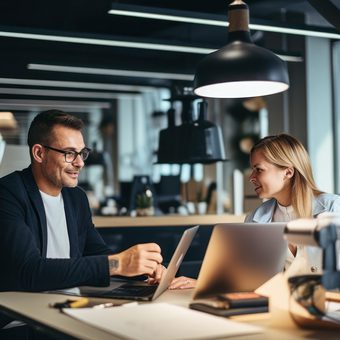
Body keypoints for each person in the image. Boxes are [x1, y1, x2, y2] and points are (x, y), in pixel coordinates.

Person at [0, 109, 164, 294]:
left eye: (82, 153)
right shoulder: (8, 193)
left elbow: (97, 253)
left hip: (67, 305)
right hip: (20, 317)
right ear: (39, 153)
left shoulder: (76, 197)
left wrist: (143, 269)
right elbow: (29, 271)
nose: (80, 163)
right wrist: (118, 263)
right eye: (69, 153)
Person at [170, 133, 340, 289]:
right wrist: (203, 284)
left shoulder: (333, 209)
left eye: (259, 169)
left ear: (288, 172)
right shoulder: (255, 218)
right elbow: (247, 278)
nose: (251, 177)